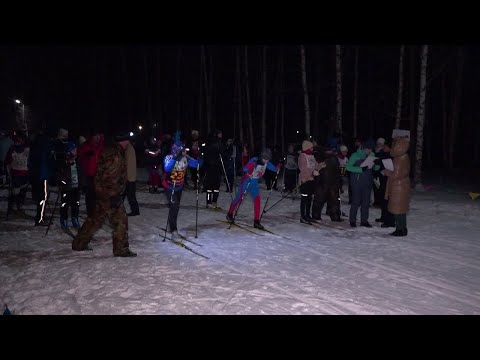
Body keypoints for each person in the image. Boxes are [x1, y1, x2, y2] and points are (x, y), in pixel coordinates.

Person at [72, 130, 137, 257]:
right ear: (124, 141)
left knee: (95, 219)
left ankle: (79, 243)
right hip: (109, 194)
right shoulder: (116, 155)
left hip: (102, 192)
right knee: (120, 221)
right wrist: (114, 195)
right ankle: (121, 249)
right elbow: (110, 177)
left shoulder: (111, 150)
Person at [226, 148, 281, 230]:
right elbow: (245, 169)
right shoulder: (255, 159)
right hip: (247, 181)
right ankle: (230, 214)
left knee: (257, 200)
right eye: (264, 159)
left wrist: (279, 165)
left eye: (267, 159)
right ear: (261, 156)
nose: (266, 161)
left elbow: (274, 169)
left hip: (254, 183)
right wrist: (253, 164)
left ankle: (256, 221)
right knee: (238, 199)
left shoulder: (267, 163)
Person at [162, 142, 202, 240]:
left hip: (179, 187)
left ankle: (172, 225)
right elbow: (167, 168)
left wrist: (200, 155)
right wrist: (175, 157)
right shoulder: (169, 157)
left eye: (185, 150)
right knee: (174, 207)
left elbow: (197, 164)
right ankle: (173, 230)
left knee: (175, 208)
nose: (185, 151)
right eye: (183, 150)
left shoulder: (186, 158)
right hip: (169, 186)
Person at [384, 136, 411, 236]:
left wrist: (387, 172)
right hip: (401, 186)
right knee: (401, 209)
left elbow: (397, 174)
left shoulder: (400, 158)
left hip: (398, 187)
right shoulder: (404, 156)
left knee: (398, 209)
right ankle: (402, 228)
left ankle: (400, 229)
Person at [346, 139, 375, 227]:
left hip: (367, 181)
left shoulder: (372, 155)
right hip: (357, 181)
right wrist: (360, 169)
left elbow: (374, 168)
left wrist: (377, 164)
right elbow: (348, 167)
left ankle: (364, 221)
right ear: (364, 148)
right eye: (368, 149)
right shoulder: (355, 155)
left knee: (366, 202)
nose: (370, 151)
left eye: (371, 149)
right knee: (356, 201)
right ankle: (352, 220)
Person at [77, 129, 104, 217]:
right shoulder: (87, 145)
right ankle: (91, 212)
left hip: (99, 174)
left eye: (98, 136)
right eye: (95, 136)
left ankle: (98, 211)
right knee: (90, 194)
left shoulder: (101, 146)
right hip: (89, 174)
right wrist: (86, 152)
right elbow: (79, 152)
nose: (97, 138)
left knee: (99, 194)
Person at [57, 142, 81, 229]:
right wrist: (62, 183)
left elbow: (80, 172)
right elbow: (61, 175)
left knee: (76, 204)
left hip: (76, 186)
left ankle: (75, 218)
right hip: (66, 187)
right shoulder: (64, 162)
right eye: (74, 150)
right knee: (65, 204)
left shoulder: (77, 160)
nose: (76, 152)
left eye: (76, 150)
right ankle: (64, 218)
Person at [203, 129, 224, 209]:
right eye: (220, 134)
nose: (221, 135)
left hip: (218, 167)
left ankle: (214, 201)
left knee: (216, 186)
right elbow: (207, 154)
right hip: (211, 167)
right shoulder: (211, 143)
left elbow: (223, 153)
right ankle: (208, 202)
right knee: (209, 186)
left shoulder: (220, 143)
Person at [123, 137, 140, 216]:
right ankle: (135, 210)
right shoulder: (130, 148)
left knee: (130, 195)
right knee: (130, 195)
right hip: (131, 176)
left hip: (129, 176)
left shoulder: (128, 149)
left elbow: (127, 163)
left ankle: (135, 210)